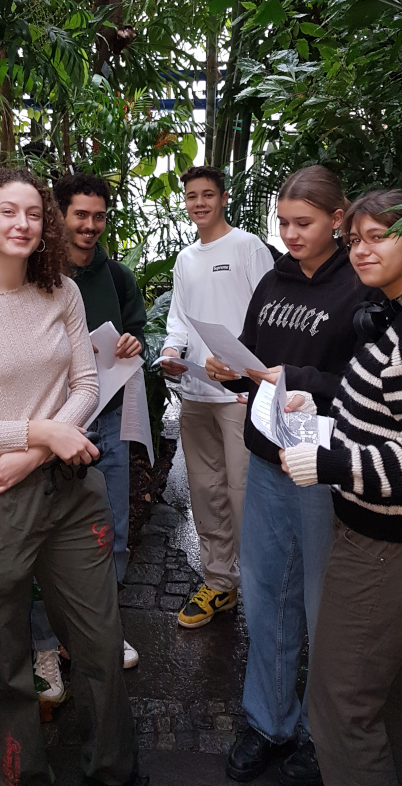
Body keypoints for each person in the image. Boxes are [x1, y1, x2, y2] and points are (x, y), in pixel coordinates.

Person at [0, 167, 145, 786]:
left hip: (72, 497)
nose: (23, 224)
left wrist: (39, 450)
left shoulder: (62, 293)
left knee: (101, 647)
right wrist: (41, 434)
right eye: (8, 213)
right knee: (5, 664)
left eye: (33, 214)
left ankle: (115, 772)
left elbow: (86, 385)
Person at [279, 189, 402, 786]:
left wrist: (331, 463)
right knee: (390, 695)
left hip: (394, 551)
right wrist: (314, 400)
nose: (360, 251)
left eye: (377, 237)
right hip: (382, 541)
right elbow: (381, 405)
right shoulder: (395, 312)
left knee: (338, 707)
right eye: (355, 239)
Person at [205, 166, 379, 785]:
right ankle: (267, 722)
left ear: (339, 220)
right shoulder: (274, 278)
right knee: (266, 596)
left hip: (324, 466)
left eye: (302, 223)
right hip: (268, 455)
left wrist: (299, 380)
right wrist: (233, 368)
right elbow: (257, 357)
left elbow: (373, 388)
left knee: (321, 605)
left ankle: (317, 731)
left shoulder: (361, 288)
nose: (289, 233)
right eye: (282, 222)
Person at [31, 172, 147, 697]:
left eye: (99, 216)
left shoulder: (117, 278)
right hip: (52, 429)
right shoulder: (35, 276)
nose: (90, 226)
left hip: (110, 417)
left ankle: (100, 633)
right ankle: (45, 646)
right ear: (59, 215)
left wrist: (132, 342)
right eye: (80, 214)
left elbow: (141, 330)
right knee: (43, 536)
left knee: (111, 531)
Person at [160, 165, 274, 628]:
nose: (199, 203)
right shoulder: (186, 259)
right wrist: (171, 350)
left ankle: (263, 590)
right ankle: (219, 583)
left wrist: (253, 377)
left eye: (207, 194)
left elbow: (271, 315)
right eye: (191, 196)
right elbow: (179, 317)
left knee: (244, 492)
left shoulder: (248, 247)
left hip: (239, 397)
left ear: (223, 198)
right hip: (196, 393)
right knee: (206, 492)